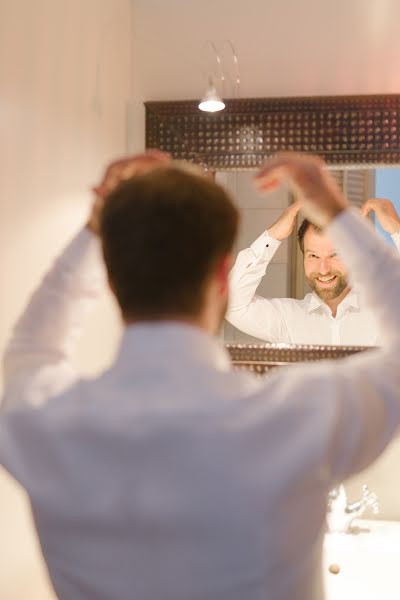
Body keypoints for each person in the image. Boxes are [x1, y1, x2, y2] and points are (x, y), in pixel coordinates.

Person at [2, 151, 400, 600]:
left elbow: (28, 351)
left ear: (109, 279)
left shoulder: (44, 420)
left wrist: (97, 227)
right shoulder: (301, 417)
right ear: (224, 278)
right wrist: (336, 213)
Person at [226, 194, 400, 345]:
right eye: (313, 256)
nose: (323, 270)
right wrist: (273, 236)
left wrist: (396, 229)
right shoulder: (289, 319)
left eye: (335, 255)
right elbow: (231, 305)